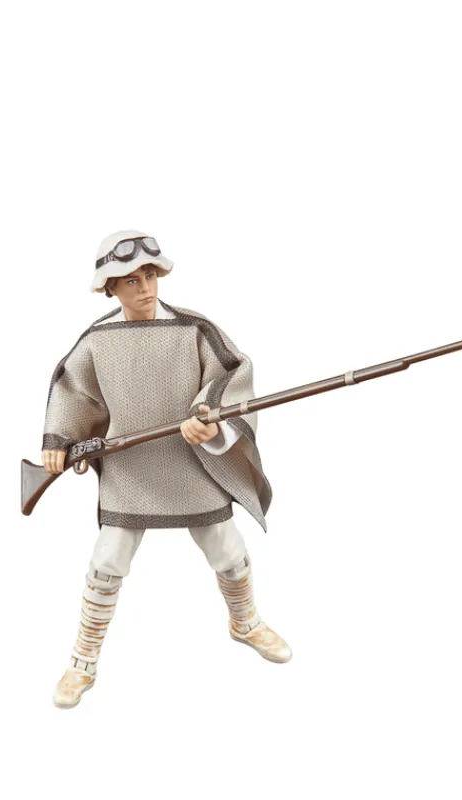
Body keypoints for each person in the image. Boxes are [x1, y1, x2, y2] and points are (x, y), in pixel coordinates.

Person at [43, 230, 291, 709]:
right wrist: (58, 442)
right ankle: (83, 658)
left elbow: (230, 375)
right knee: (107, 563)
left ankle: (245, 622)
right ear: (110, 288)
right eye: (130, 280)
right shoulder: (97, 341)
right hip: (130, 470)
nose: (144, 288)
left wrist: (208, 418)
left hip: (191, 465)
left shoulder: (194, 330)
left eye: (150, 275)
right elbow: (72, 390)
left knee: (227, 549)